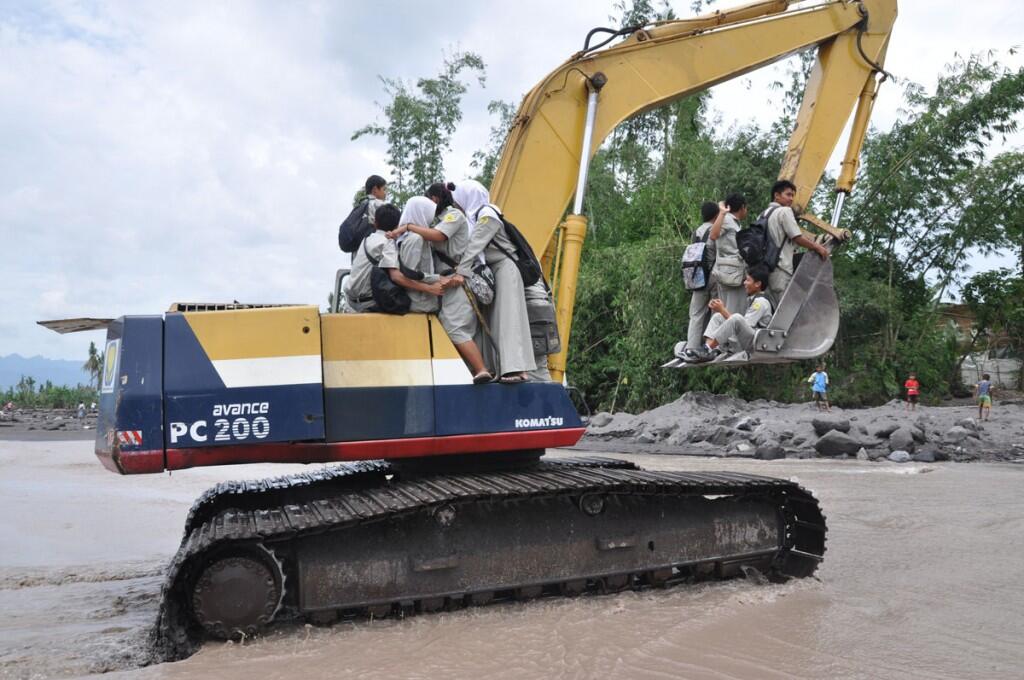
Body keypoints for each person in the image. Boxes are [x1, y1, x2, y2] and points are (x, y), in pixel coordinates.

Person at [389, 190, 491, 383]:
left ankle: (480, 370)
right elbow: (410, 271)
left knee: (455, 326)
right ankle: (477, 370)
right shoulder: (417, 236)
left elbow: (438, 236)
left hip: (455, 282)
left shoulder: (451, 216)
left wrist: (408, 226)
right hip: (441, 286)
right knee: (461, 327)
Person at [452, 180, 536, 383]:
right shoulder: (474, 217)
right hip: (493, 272)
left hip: (505, 269)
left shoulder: (487, 215)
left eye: (459, 200)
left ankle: (517, 370)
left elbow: (475, 246)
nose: (457, 204)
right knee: (492, 321)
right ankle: (501, 369)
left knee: (508, 320)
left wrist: (461, 272)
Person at [685, 264, 774, 363]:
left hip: (756, 344)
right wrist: (721, 312)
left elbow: (741, 325)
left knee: (736, 317)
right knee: (718, 317)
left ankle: (707, 349)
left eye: (748, 280)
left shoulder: (761, 302)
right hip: (749, 339)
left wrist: (722, 309)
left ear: (757, 284)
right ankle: (709, 350)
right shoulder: (753, 299)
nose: (744, 283)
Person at [763, 180, 830, 304]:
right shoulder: (785, 211)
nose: (791, 199)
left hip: (765, 270)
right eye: (788, 194)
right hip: (781, 269)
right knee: (783, 314)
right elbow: (797, 237)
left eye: (793, 195)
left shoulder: (764, 214)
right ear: (777, 195)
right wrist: (817, 247)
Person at [379, 200, 446, 313]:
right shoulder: (415, 239)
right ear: (421, 214)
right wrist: (438, 279)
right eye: (429, 215)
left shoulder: (407, 237)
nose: (431, 220)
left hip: (422, 302)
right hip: (419, 303)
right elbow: (409, 275)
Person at [677, 201, 721, 361]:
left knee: (696, 314)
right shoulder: (715, 230)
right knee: (716, 311)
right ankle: (712, 346)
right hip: (713, 276)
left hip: (697, 277)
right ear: (716, 215)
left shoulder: (697, 231)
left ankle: (691, 347)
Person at [341, 203, 399, 312]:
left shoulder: (366, 240)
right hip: (369, 304)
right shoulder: (388, 243)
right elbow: (396, 277)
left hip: (350, 302)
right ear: (397, 226)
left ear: (375, 223)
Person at [712, 193, 750, 314]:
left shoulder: (733, 221)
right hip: (730, 273)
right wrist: (722, 212)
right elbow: (713, 235)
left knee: (729, 309)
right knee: (734, 310)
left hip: (732, 271)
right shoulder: (727, 219)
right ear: (742, 207)